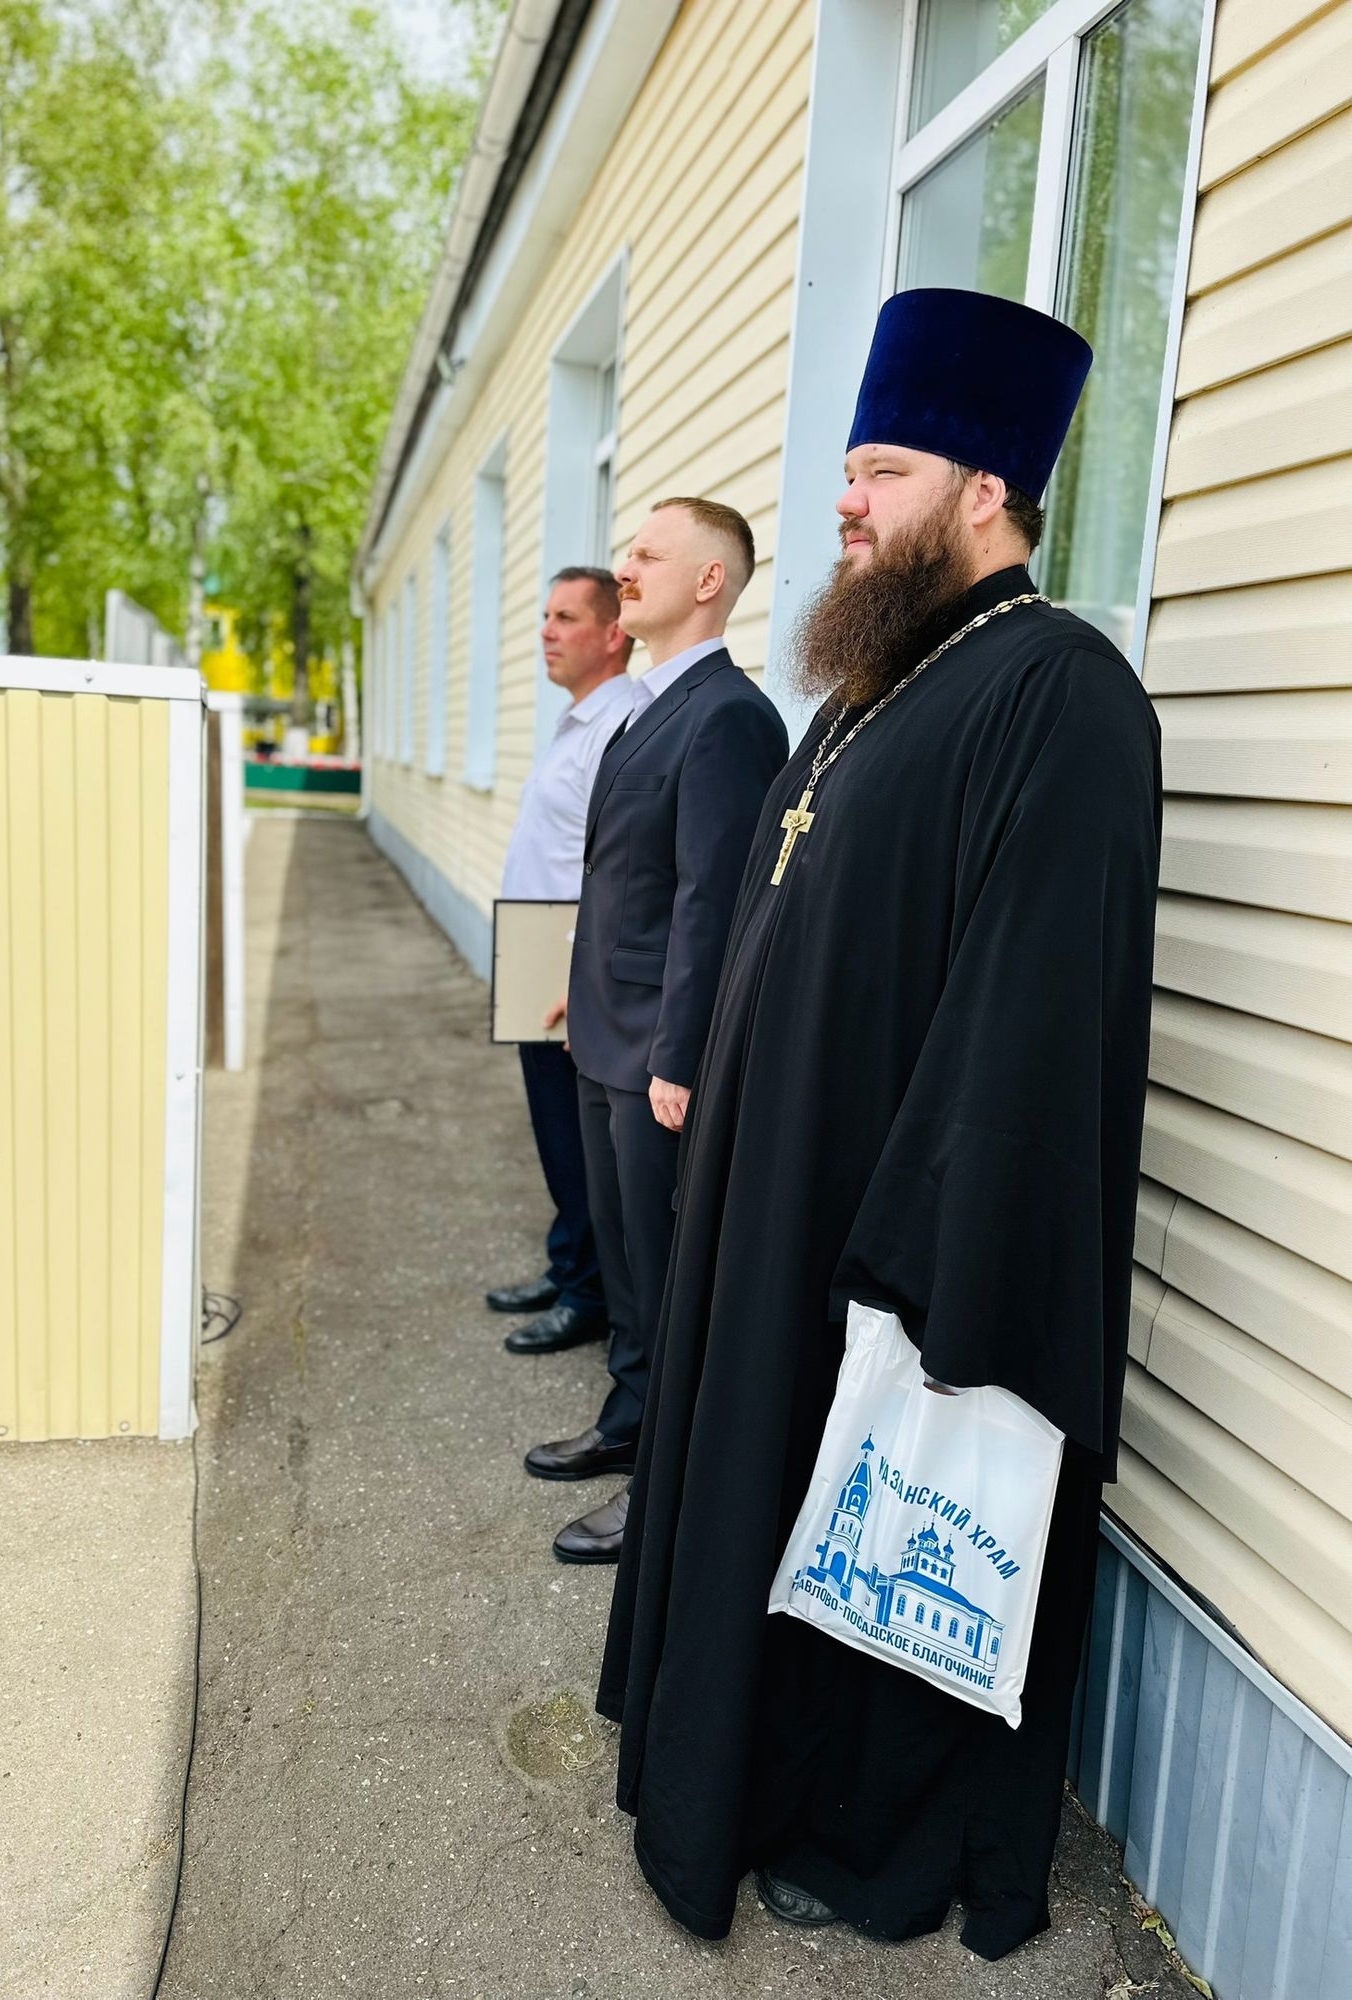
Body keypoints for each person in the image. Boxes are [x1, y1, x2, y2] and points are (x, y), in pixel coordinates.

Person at [597, 289, 1162, 1960]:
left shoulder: (1061, 691)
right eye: (849, 469)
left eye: (882, 470)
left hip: (879, 1238)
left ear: (984, 491)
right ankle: (729, 1769)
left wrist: (915, 1263)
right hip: (769, 1200)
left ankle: (867, 1832)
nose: (844, 501)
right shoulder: (870, 683)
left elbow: (1030, 1027)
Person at [524, 498, 788, 1565]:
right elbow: (622, 879)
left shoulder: (727, 716)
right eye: (627, 552)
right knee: (627, 1261)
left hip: (656, 1056)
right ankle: (628, 1417)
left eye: (647, 554)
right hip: (605, 1031)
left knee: (672, 1277)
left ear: (710, 581)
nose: (624, 568)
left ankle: (664, 1493)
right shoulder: (645, 705)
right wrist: (577, 991)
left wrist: (680, 1056)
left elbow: (708, 901)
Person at [486, 568, 636, 1357]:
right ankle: (567, 1263)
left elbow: (618, 870)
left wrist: (585, 979)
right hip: (535, 948)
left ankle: (588, 1297)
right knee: (552, 1127)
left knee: (579, 1139)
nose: (546, 630)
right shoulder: (578, 721)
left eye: (566, 617)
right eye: (545, 615)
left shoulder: (619, 725)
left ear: (614, 633)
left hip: (567, 958)